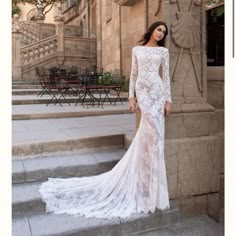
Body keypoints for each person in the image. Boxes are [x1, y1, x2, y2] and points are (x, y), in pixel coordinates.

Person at [39, 21, 172, 219]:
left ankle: (153, 188)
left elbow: (167, 76)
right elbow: (133, 75)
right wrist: (131, 97)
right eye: (159, 29)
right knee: (149, 133)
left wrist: (168, 100)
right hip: (144, 93)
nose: (161, 33)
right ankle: (144, 182)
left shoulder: (163, 53)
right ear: (152, 30)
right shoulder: (137, 49)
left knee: (156, 138)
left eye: (164, 32)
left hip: (158, 92)